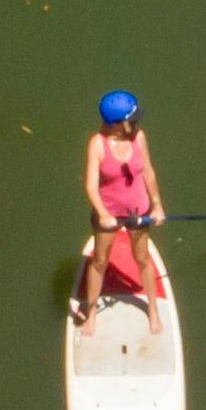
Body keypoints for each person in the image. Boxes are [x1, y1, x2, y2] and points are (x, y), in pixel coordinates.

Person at [83, 90, 171, 314]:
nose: (136, 123)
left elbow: (148, 172)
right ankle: (91, 311)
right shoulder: (97, 144)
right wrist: (103, 213)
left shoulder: (139, 137)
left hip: (137, 211)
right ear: (117, 124)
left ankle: (152, 308)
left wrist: (157, 204)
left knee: (142, 258)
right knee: (100, 261)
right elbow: (91, 186)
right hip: (110, 213)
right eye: (131, 120)